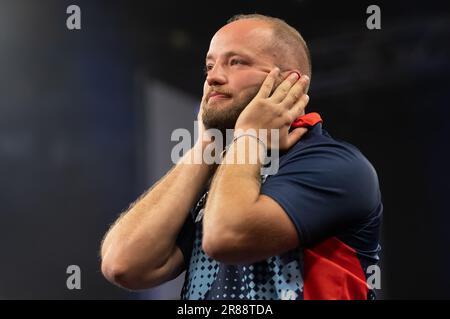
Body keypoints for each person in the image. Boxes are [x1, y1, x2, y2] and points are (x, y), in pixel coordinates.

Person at [100, 14, 383, 300]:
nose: (213, 77)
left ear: (289, 82)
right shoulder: (223, 172)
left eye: (236, 62)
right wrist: (206, 147)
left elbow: (226, 238)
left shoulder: (334, 165)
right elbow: (122, 264)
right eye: (209, 66)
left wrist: (250, 135)